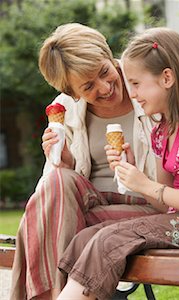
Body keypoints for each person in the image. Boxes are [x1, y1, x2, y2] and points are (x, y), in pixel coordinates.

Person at [56, 27, 179, 299]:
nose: (132, 94)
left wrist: (147, 184)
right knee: (85, 238)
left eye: (136, 83)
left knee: (108, 240)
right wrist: (135, 175)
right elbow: (164, 204)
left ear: (167, 78)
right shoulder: (162, 131)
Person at [10, 23, 160, 300]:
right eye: (88, 86)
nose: (105, 87)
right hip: (90, 203)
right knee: (57, 179)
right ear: (72, 92)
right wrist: (63, 162)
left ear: (108, 54)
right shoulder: (65, 109)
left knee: (45, 229)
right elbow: (53, 190)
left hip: (147, 202)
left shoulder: (147, 86)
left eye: (105, 71)